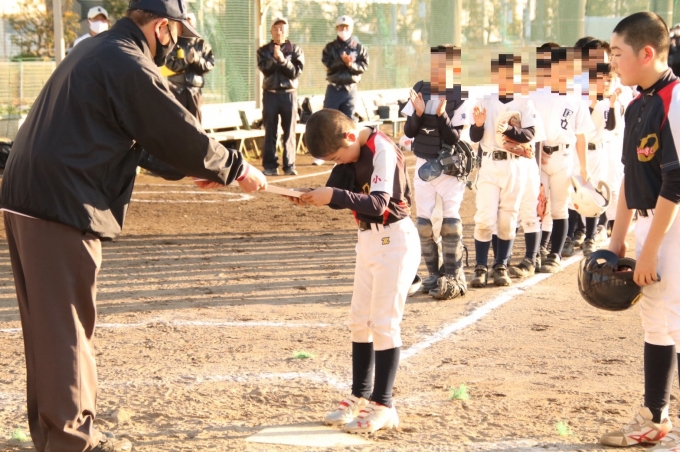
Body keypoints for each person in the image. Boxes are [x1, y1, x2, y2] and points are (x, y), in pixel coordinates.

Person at [0, 0, 267, 450]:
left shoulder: (98, 49)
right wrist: (236, 168)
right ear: (161, 27)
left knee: (48, 329)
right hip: (61, 199)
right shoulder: (127, 61)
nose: (176, 44)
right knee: (66, 330)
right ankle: (71, 442)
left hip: (30, 195)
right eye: (176, 33)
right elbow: (173, 128)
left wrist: (194, 169)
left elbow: (139, 138)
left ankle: (55, 437)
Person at [290, 108, 419, 433]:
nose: (339, 162)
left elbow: (378, 203)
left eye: (337, 156)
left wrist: (332, 195)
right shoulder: (350, 150)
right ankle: (360, 396)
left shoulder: (381, 149)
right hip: (368, 240)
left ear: (350, 136)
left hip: (395, 240)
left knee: (384, 324)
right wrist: (311, 196)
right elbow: (337, 195)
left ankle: (383, 405)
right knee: (359, 321)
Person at [599, 12, 680, 451]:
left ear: (647, 53)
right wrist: (617, 241)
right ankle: (655, 416)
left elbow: (676, 181)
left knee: (677, 320)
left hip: (674, 224)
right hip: (652, 223)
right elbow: (631, 177)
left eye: (617, 53)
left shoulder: (675, 99)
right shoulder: (635, 106)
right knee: (655, 320)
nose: (612, 62)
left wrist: (650, 251)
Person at [401, 45, 468, 299]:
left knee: (450, 223)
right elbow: (409, 131)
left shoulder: (459, 95)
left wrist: (441, 116)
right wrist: (418, 113)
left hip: (448, 165)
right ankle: (433, 275)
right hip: (423, 163)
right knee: (424, 224)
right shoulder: (420, 88)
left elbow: (454, 137)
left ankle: (453, 275)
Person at [469, 54, 537, 287]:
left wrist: (508, 129)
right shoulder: (485, 101)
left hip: (514, 165)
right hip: (490, 164)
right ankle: (480, 267)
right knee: (485, 218)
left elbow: (530, 134)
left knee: (508, 218)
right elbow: (474, 137)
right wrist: (479, 125)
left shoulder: (524, 103)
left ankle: (500, 266)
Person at [532, 47, 594, 273]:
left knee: (559, 207)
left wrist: (584, 167)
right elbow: (528, 127)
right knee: (538, 207)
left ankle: (555, 254)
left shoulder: (575, 97)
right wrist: (535, 150)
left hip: (564, 156)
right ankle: (536, 252)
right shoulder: (535, 94)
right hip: (540, 157)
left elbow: (581, 135)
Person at [315, 15, 369, 166]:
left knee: (349, 122)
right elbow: (328, 64)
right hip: (334, 87)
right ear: (336, 28)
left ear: (351, 29)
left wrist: (351, 65)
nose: (343, 30)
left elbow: (363, 66)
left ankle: (348, 152)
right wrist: (342, 61)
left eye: (346, 27)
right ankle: (323, 153)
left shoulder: (359, 48)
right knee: (327, 121)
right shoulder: (330, 48)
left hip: (351, 89)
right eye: (341, 27)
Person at [256, 17, 304, 176]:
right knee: (270, 131)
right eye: (276, 28)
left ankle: (289, 165)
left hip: (289, 95)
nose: (279, 32)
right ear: (271, 31)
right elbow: (265, 69)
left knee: (289, 131)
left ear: (287, 31)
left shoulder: (295, 50)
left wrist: (283, 61)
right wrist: (274, 59)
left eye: (282, 29)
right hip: (270, 94)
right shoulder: (263, 51)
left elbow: (295, 72)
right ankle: (270, 166)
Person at [164, 12, 214, 124]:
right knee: (177, 121)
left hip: (195, 90)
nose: (188, 25)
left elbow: (210, 64)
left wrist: (197, 60)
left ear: (195, 24)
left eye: (190, 22)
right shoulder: (174, 43)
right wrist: (185, 61)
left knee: (195, 123)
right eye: (186, 22)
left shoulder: (202, 45)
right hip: (176, 88)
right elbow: (169, 63)